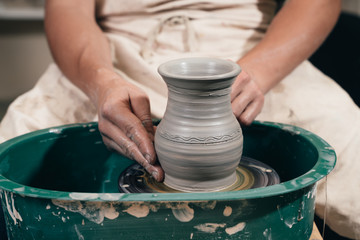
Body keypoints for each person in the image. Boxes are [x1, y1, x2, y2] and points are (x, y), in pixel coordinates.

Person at [0, 0, 359, 238]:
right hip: (111, 51)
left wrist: (261, 71)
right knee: (15, 156)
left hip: (252, 48)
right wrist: (99, 83)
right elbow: (67, 9)